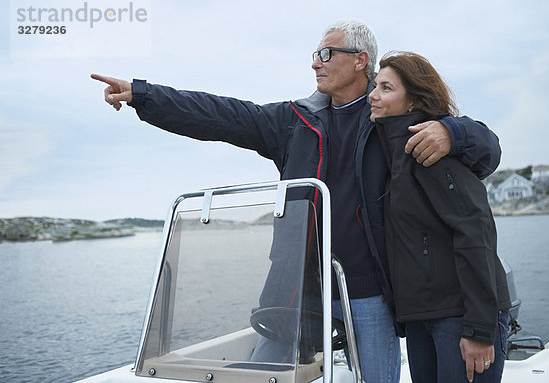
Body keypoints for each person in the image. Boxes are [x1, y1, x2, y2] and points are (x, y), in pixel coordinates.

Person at [91, 20, 502, 383]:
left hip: (371, 290)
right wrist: (143, 96)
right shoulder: (295, 122)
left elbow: (484, 149)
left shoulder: (390, 118)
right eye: (314, 55)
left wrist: (452, 132)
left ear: (361, 60)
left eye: (325, 53)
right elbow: (222, 114)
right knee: (262, 374)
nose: (315, 63)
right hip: (299, 289)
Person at [369, 51, 512, 383]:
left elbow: (475, 232)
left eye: (386, 88)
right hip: (422, 317)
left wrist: (478, 329)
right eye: (375, 86)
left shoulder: (430, 149)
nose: (373, 96)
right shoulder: (393, 155)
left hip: (460, 317)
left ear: (414, 102)